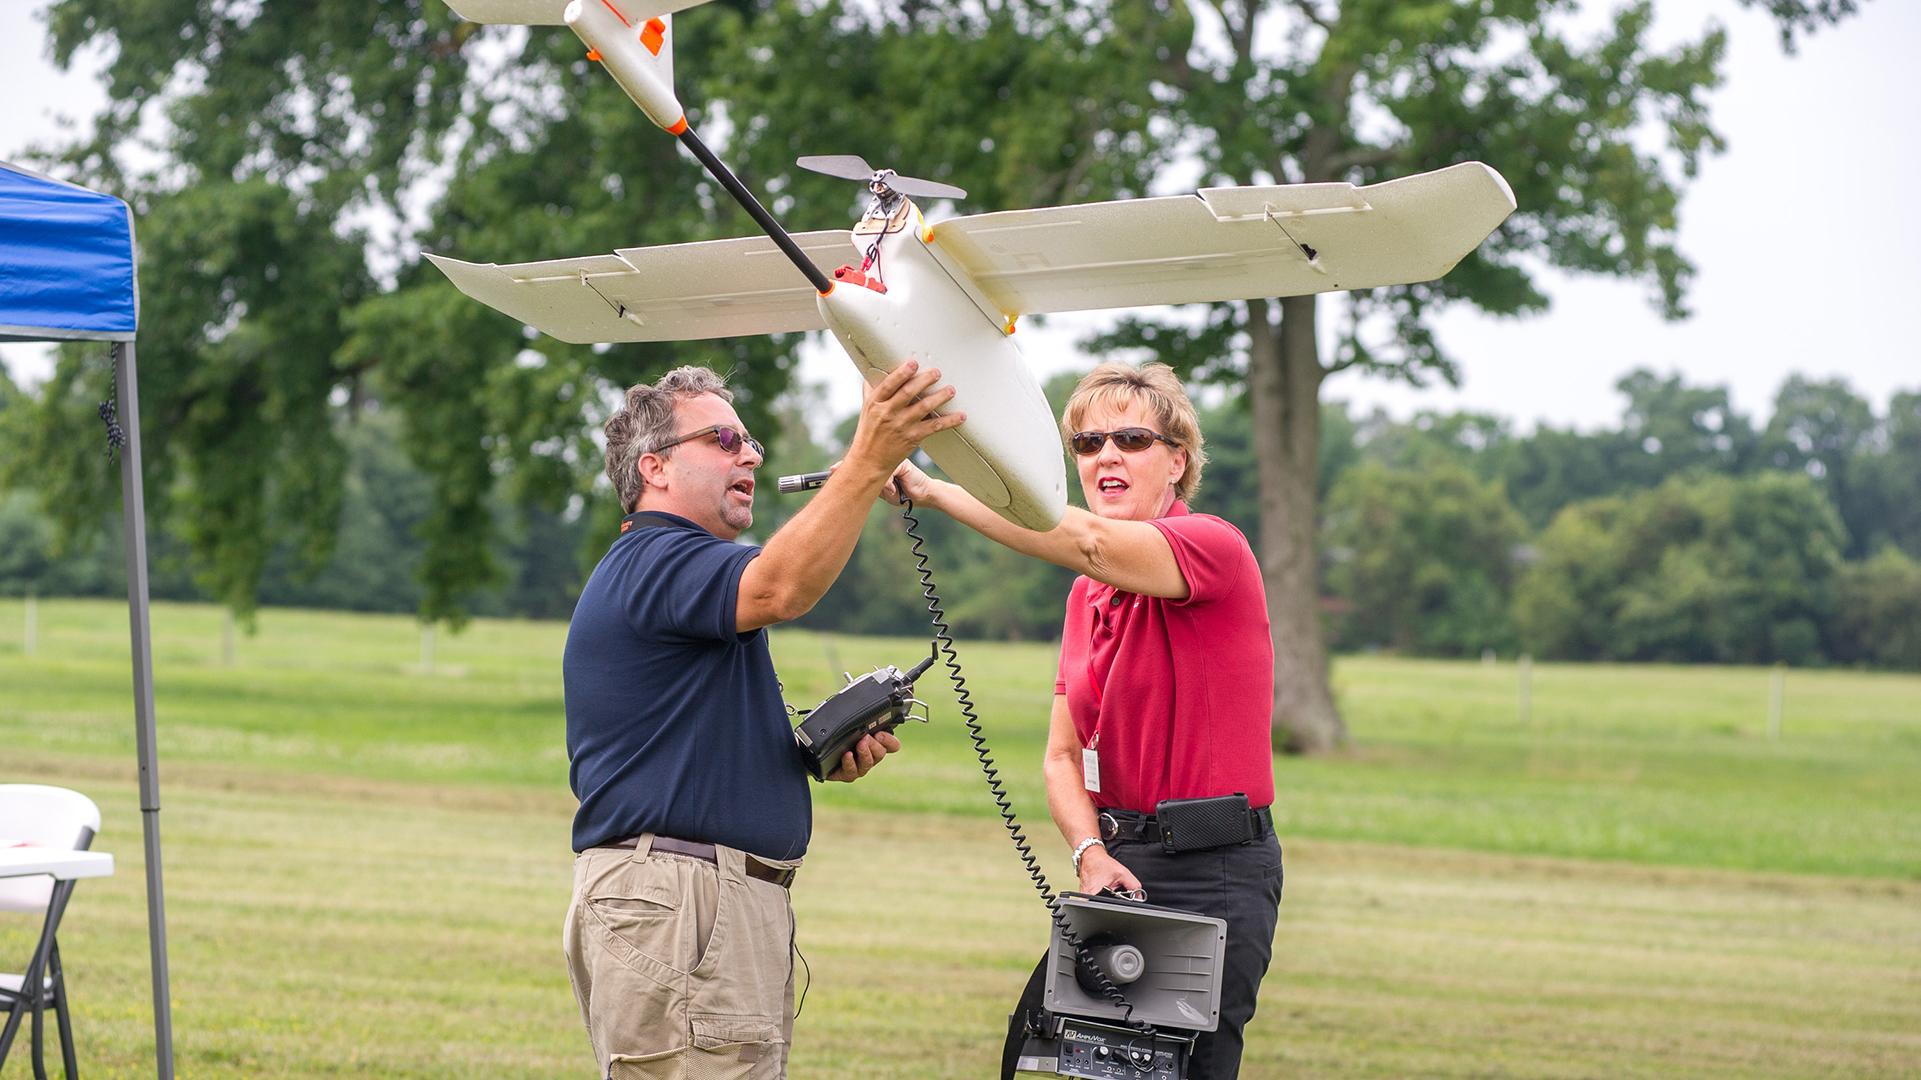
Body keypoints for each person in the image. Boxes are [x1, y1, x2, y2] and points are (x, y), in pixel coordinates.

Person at [562, 361, 963, 1079]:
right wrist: (870, 456)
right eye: (722, 438)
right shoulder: (658, 557)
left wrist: (816, 753)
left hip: (702, 897)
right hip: (685, 900)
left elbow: (690, 745)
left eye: (748, 441)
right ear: (653, 467)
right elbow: (781, 585)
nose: (749, 454)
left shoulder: (673, 571)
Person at [887, 361, 1282, 1079]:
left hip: (1213, 870)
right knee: (1049, 1056)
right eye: (1086, 442)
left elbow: (1089, 541)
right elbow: (1062, 758)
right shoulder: (1086, 596)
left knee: (1182, 1068)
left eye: (1130, 438)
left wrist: (935, 488)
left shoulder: (1212, 546)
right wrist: (1087, 854)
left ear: (1177, 460)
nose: (1105, 455)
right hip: (1118, 868)